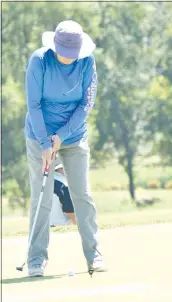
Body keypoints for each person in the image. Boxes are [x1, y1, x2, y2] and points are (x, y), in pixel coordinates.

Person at [25, 20, 104, 277]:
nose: (68, 59)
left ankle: (94, 256)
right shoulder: (39, 61)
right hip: (40, 134)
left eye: (73, 54)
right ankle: (36, 260)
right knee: (42, 198)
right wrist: (45, 142)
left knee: (82, 195)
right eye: (64, 53)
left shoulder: (87, 62)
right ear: (54, 46)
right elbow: (34, 105)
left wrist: (62, 136)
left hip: (74, 136)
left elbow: (86, 104)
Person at [50, 162, 76, 226]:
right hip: (61, 225)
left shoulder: (45, 183)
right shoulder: (65, 185)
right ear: (62, 169)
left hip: (45, 227)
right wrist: (76, 224)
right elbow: (69, 210)